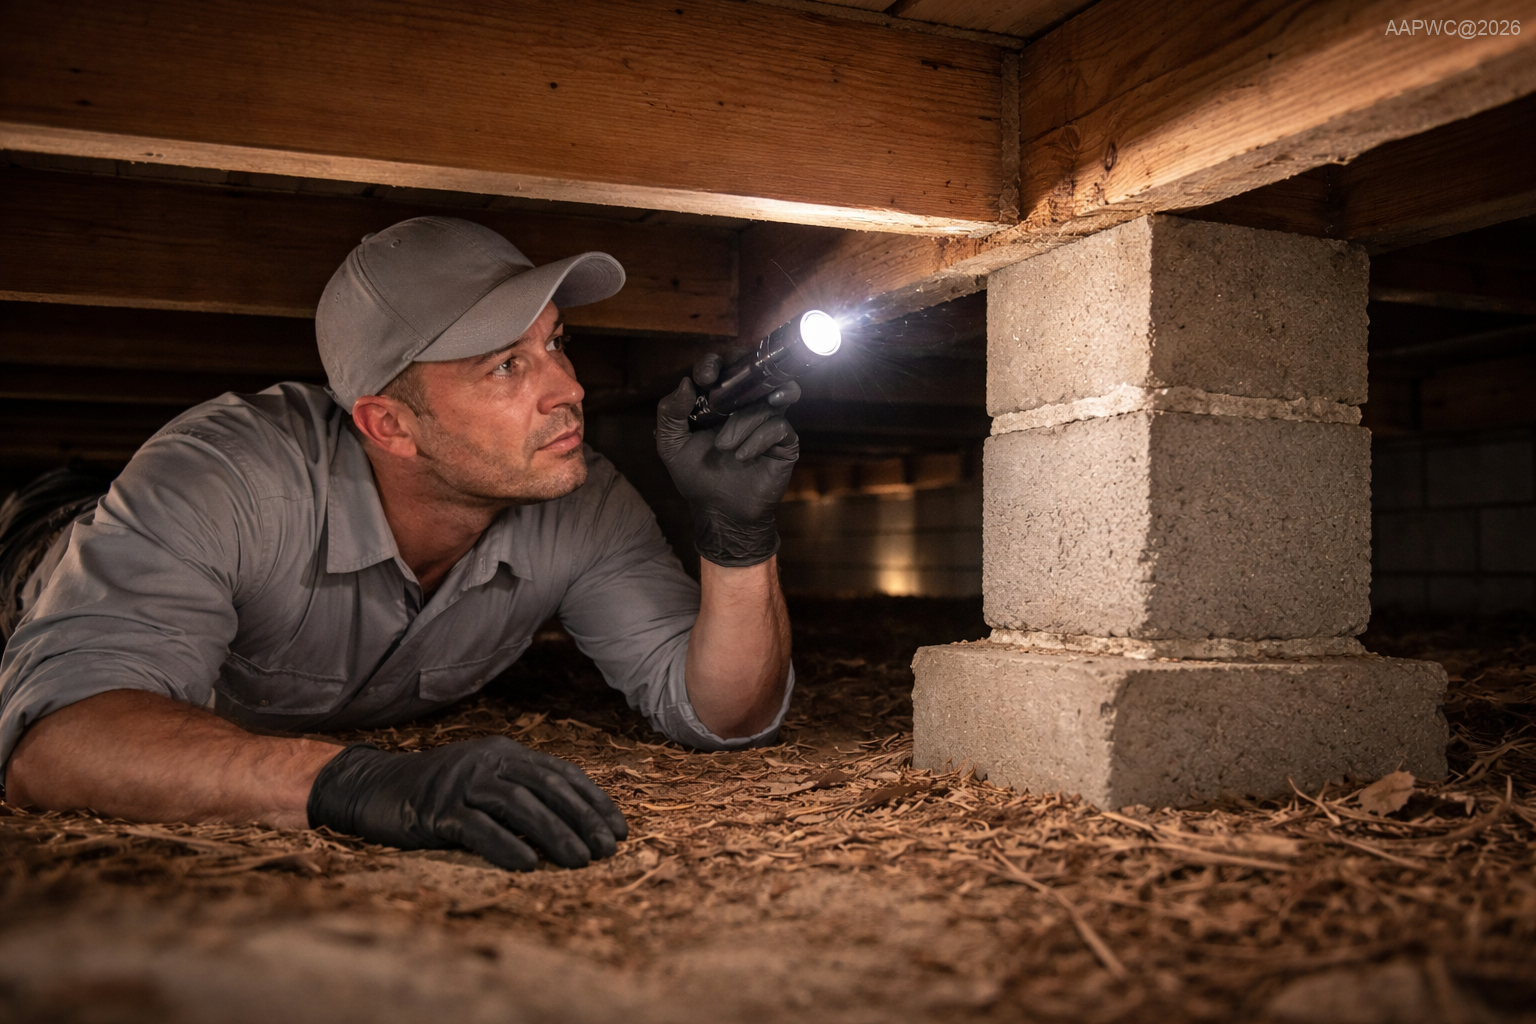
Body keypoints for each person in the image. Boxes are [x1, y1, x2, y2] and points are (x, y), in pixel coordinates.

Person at [0, 216, 800, 871]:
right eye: (506, 367)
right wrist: (355, 782)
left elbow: (722, 713)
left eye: (556, 342)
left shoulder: (582, 500)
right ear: (391, 425)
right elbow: (59, 741)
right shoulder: (225, 477)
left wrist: (736, 537)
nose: (571, 389)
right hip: (38, 550)